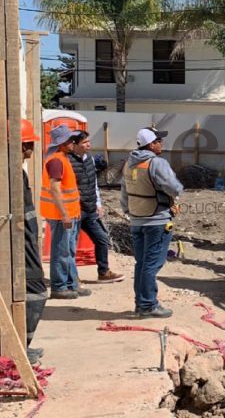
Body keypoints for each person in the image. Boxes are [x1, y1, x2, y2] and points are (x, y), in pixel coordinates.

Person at [120, 127, 183, 318]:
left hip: (137, 220)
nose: (161, 144)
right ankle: (148, 305)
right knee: (151, 264)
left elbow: (124, 192)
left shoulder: (129, 164)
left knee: (142, 263)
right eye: (159, 141)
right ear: (151, 144)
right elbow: (174, 188)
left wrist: (129, 212)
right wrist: (176, 191)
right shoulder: (156, 163)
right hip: (157, 220)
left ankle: (141, 303)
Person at [40, 124, 90, 299]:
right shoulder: (56, 161)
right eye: (69, 140)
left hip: (70, 213)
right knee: (61, 252)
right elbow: (55, 190)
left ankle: (71, 284)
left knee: (68, 251)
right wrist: (64, 215)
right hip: (61, 215)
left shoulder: (62, 158)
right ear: (61, 143)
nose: (72, 142)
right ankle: (60, 287)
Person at [68, 130, 124, 283]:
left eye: (88, 141)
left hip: (90, 209)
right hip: (75, 210)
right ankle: (72, 277)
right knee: (71, 245)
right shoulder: (67, 161)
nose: (89, 145)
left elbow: (94, 184)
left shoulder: (90, 160)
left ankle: (103, 272)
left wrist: (98, 203)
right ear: (74, 145)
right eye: (84, 142)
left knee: (102, 238)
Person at [20, 119, 46, 364]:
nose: (31, 150)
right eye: (27, 144)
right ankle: (21, 346)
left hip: (27, 243)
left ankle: (21, 346)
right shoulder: (10, 175)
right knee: (37, 292)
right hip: (20, 246)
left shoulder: (18, 172)